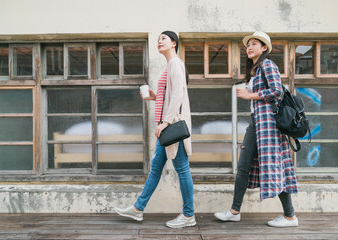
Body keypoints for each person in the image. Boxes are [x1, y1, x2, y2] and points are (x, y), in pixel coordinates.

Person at [214, 31, 299, 227]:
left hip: (269, 126)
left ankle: (290, 216)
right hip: (257, 123)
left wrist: (249, 95)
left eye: (254, 44)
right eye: (248, 45)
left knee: (277, 166)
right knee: (243, 165)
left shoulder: (268, 64)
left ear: (264, 48)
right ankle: (234, 211)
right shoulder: (255, 69)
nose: (249, 47)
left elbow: (277, 91)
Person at [115, 31, 195, 229]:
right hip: (166, 130)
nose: (159, 42)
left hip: (171, 128)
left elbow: (177, 95)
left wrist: (165, 122)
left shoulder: (176, 64)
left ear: (174, 43)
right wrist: (154, 97)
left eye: (163, 39)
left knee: (182, 170)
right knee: (156, 169)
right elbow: (169, 95)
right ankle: (138, 209)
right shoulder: (170, 66)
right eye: (158, 39)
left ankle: (188, 215)